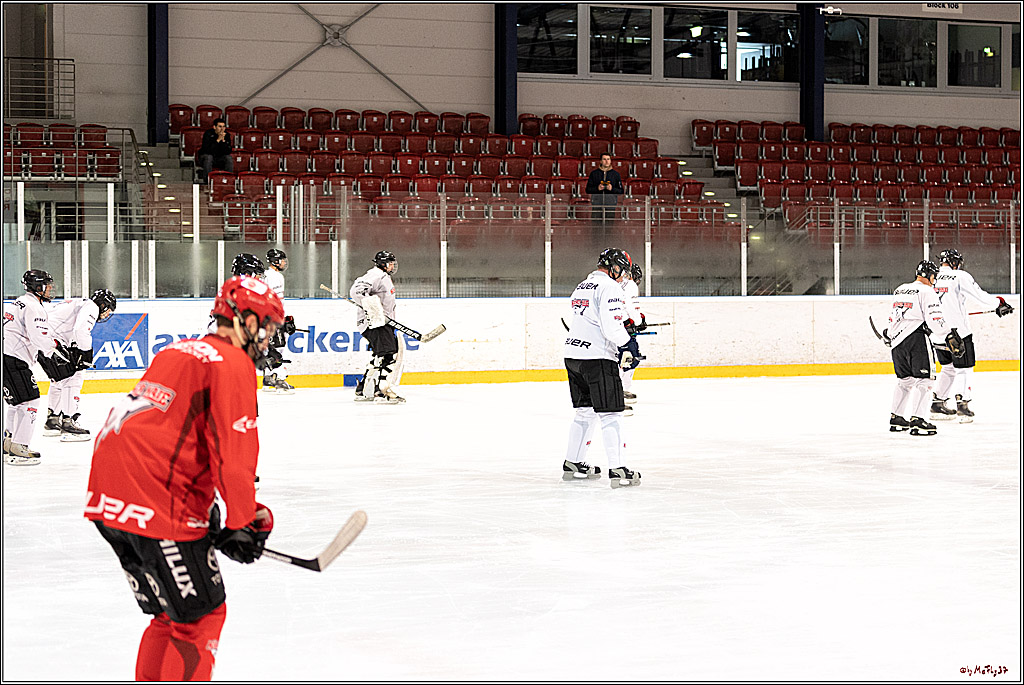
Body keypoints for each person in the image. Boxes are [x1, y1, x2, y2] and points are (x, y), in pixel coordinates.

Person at [84, 275, 284, 681]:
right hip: (155, 500)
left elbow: (169, 433)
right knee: (201, 617)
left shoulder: (178, 351)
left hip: (108, 495)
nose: (268, 338)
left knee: (166, 615)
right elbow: (233, 453)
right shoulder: (234, 364)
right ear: (242, 319)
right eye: (264, 325)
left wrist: (212, 508)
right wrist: (241, 521)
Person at [563, 248, 642, 488]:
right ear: (614, 267)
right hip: (597, 358)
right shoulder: (610, 288)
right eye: (622, 271)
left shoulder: (582, 285)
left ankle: (574, 462)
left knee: (585, 412)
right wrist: (629, 344)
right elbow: (611, 328)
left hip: (573, 355)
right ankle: (618, 469)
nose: (623, 277)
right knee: (611, 414)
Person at [931, 248, 1014, 423]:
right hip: (958, 334)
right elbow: (980, 296)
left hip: (937, 334)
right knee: (964, 368)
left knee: (948, 367)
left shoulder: (933, 277)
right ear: (955, 262)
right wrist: (999, 303)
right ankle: (962, 406)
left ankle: (937, 403)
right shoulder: (959, 276)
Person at [885, 260, 966, 436]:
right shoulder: (927, 291)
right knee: (925, 380)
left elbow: (894, 316)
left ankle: (897, 418)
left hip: (897, 342)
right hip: (917, 340)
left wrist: (889, 334)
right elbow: (935, 317)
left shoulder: (900, 289)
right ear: (930, 275)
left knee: (905, 381)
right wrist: (948, 335)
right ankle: (918, 420)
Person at [3, 270, 70, 465]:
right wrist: (55, 346)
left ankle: (9, 442)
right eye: (47, 286)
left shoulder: (18, 302)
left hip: (6, 357)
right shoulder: (34, 307)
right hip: (15, 360)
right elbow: (40, 339)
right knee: (31, 401)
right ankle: (20, 446)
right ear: (37, 287)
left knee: (16, 403)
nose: (50, 290)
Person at [41, 288, 117, 442]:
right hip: (52, 341)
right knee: (74, 376)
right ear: (103, 305)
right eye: (108, 310)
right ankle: (68, 424)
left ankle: (53, 419)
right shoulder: (92, 307)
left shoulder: (78, 303)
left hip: (43, 340)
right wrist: (86, 352)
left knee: (59, 380)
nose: (107, 314)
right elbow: (81, 330)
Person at [350, 250, 405, 404]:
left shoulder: (383, 277)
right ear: (382, 264)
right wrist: (372, 307)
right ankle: (382, 392)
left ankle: (364, 390)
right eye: (390, 263)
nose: (393, 266)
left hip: (380, 323)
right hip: (376, 323)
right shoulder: (376, 275)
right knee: (389, 354)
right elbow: (356, 291)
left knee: (380, 355)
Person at [262, 248, 296, 393]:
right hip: (274, 318)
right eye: (282, 260)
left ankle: (268, 379)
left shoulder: (264, 275)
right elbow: (276, 301)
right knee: (280, 348)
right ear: (275, 261)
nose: (284, 263)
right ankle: (280, 379)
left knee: (272, 348)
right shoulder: (275, 277)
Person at [620, 261, 647, 410]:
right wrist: (639, 320)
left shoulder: (614, 284)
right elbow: (631, 309)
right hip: (623, 331)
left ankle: (619, 391)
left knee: (619, 359)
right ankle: (620, 392)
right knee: (631, 359)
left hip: (613, 329)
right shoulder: (630, 285)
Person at [585, 153, 624, 242]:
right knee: (596, 227)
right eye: (604, 159)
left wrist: (612, 188)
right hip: (597, 204)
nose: (606, 161)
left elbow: (621, 191)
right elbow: (588, 189)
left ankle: (608, 244)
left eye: (608, 159)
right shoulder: (594, 174)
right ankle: (595, 245)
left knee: (609, 227)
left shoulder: (615, 174)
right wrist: (597, 188)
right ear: (600, 161)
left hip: (610, 205)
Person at [197, 118, 233, 182]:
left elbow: (228, 151)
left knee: (229, 158)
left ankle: (228, 179)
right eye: (220, 126)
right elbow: (207, 150)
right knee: (209, 157)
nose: (222, 129)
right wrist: (218, 140)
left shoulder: (227, 135)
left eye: (223, 127)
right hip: (205, 157)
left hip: (219, 158)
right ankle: (207, 181)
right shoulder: (208, 134)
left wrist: (224, 141)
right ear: (214, 127)